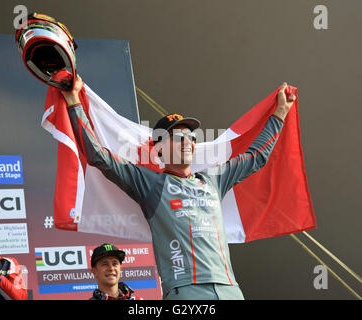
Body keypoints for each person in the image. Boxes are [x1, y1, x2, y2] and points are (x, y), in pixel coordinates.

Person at [62, 75, 295, 300]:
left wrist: (280, 113)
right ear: (159, 149)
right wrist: (74, 102)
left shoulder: (213, 179)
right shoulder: (149, 183)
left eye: (191, 137)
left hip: (230, 289)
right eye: (178, 136)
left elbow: (256, 156)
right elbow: (99, 157)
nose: (188, 142)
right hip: (185, 291)